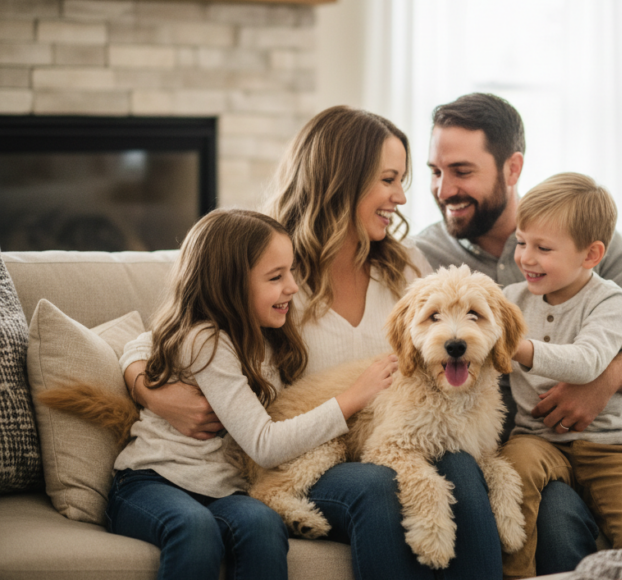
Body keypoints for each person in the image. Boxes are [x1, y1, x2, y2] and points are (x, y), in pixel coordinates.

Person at [124, 106, 506, 579]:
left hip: (392, 434)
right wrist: (150, 392)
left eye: (402, 179)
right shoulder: (272, 269)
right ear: (342, 180)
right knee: (376, 485)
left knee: (465, 473)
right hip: (315, 451)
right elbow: (160, 336)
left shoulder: (406, 267)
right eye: (388, 180)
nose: (402, 197)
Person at [414, 92, 622, 573]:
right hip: (525, 438)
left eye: (462, 171)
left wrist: (601, 383)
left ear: (512, 168)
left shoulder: (583, 236)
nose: (444, 189)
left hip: (609, 426)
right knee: (556, 522)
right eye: (435, 171)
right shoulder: (425, 254)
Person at [112, 208, 388, 580]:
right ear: (228, 285)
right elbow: (264, 444)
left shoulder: (269, 338)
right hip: (153, 481)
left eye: (290, 271)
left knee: (262, 524)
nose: (292, 286)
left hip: (226, 489)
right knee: (195, 529)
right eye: (276, 277)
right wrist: (353, 397)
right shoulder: (205, 340)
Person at [499, 173, 622, 580]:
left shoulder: (610, 300)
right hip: (537, 438)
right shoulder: (510, 299)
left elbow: (588, 362)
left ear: (591, 254)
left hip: (610, 446)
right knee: (509, 478)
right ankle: (516, 575)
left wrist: (520, 348)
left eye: (543, 248)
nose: (525, 257)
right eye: (522, 242)